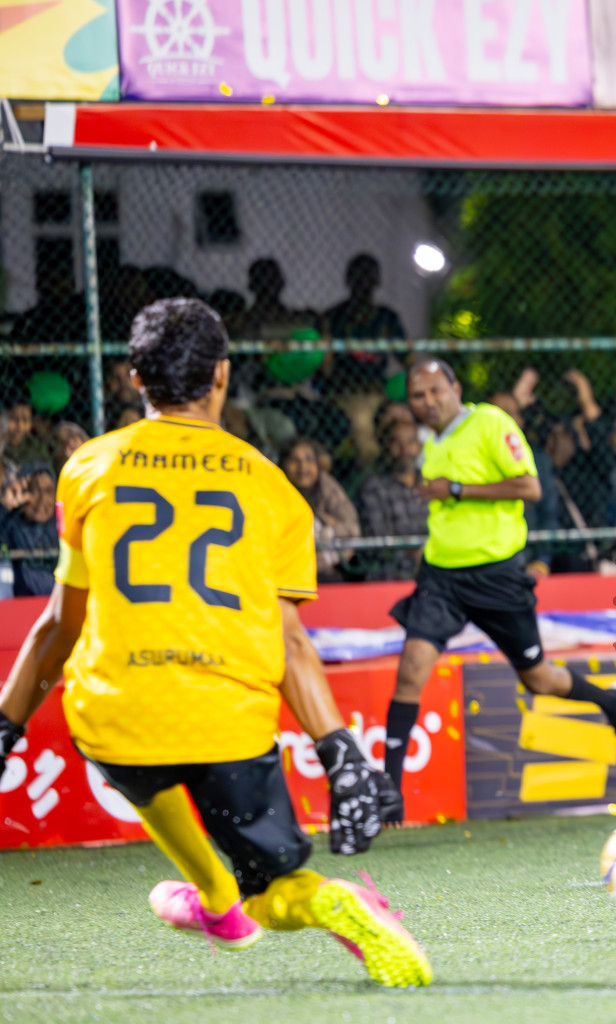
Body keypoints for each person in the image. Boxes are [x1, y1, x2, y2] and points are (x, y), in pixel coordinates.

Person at [0, 298, 429, 985]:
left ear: (134, 377)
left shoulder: (87, 469)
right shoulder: (272, 486)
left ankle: (217, 901)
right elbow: (290, 644)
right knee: (279, 892)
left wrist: (4, 728)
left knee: (123, 742)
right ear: (223, 376)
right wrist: (340, 753)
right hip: (228, 726)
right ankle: (296, 901)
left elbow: (58, 626)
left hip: (119, 715)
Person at [383, 358, 616, 815]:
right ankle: (389, 794)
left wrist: (457, 489)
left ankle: (612, 701)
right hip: (441, 576)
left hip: (497, 575)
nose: (428, 402)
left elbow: (530, 486)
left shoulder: (489, 422)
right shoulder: (430, 443)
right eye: (418, 396)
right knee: (410, 670)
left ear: (454, 387)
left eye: (435, 391)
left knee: (539, 679)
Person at [357, 418, 430, 580]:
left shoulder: (432, 484)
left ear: (419, 446)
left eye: (411, 442)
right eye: (397, 443)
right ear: (386, 447)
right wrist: (419, 552)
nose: (405, 450)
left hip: (434, 568)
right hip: (393, 575)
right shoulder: (374, 489)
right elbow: (379, 544)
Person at [280, 436, 360, 582]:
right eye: (294, 461)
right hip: (288, 570)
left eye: (309, 460)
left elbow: (352, 528)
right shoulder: (277, 489)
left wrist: (327, 529)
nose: (303, 468)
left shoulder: (325, 485)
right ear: (283, 465)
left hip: (327, 572)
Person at [0, 465, 58, 596]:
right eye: (33, 491)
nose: (42, 500)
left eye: (48, 491)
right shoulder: (10, 524)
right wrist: (6, 506)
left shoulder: (64, 526)